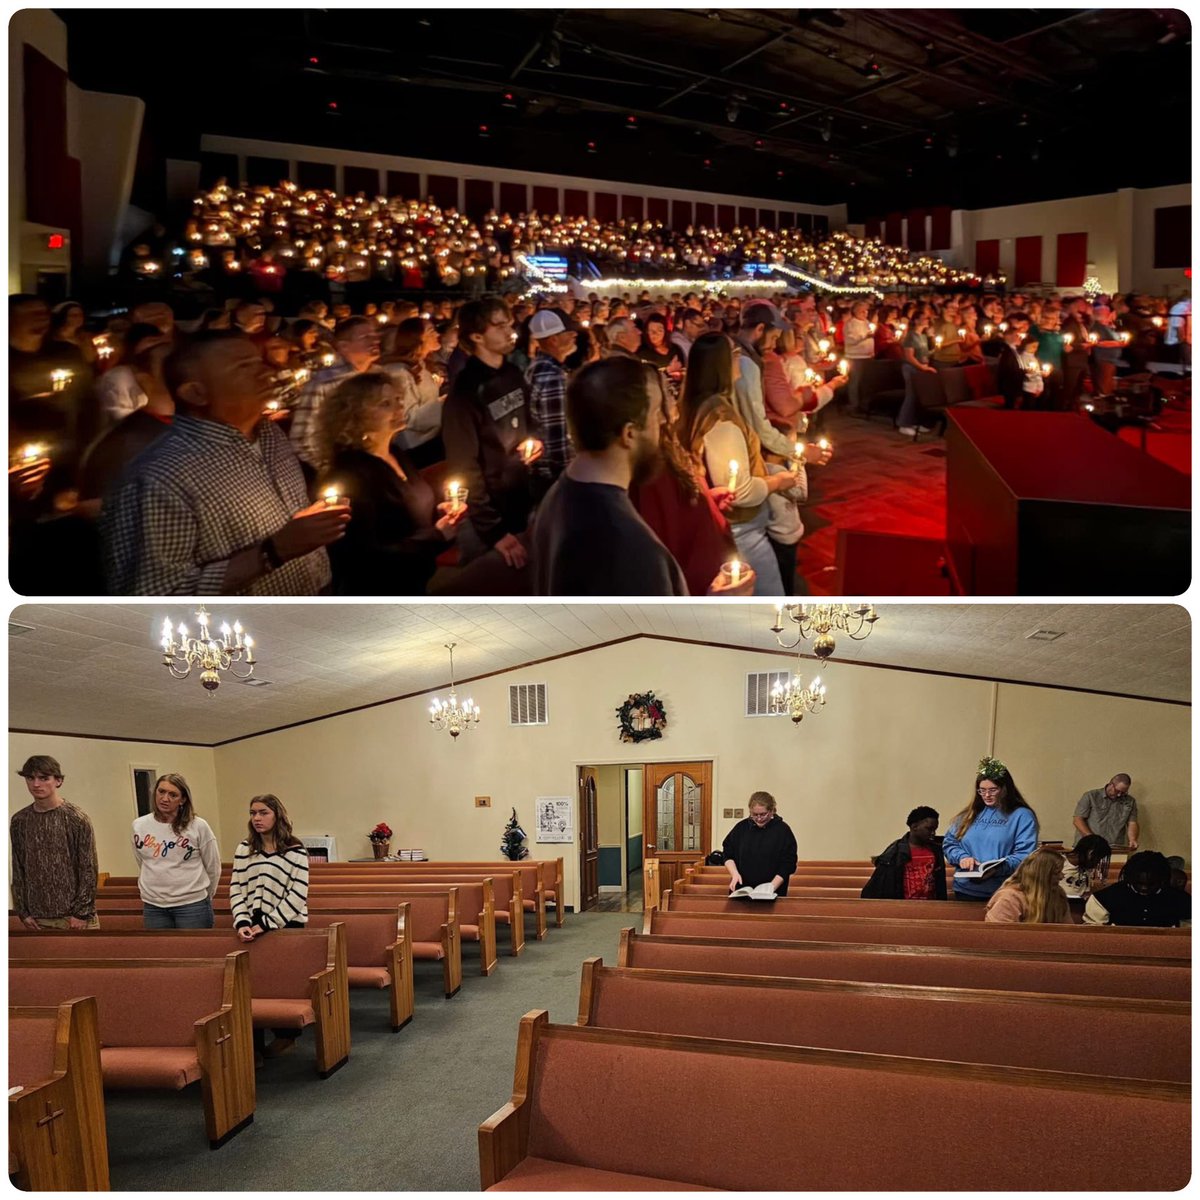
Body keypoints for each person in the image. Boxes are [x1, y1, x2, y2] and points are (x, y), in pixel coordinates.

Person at [101, 332, 349, 595]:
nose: (266, 372)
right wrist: (274, 551)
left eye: (258, 361)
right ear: (196, 393)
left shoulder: (271, 435)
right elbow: (153, 595)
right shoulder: (160, 477)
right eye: (243, 367)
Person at [532, 355, 688, 595]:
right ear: (629, 433)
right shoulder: (629, 549)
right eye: (657, 412)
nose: (665, 420)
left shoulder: (559, 494)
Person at [316, 373, 466, 594]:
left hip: (416, 579)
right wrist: (437, 535)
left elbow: (410, 515)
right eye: (385, 404)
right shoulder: (348, 474)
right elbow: (366, 555)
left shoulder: (396, 455)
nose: (398, 408)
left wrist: (443, 516)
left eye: (398, 400)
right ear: (355, 416)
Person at [442, 298, 543, 569]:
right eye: (499, 326)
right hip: (486, 517)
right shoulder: (465, 392)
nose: (510, 331)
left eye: (510, 324)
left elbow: (529, 421)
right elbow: (464, 466)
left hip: (520, 496)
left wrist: (534, 441)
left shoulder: (512, 373)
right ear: (477, 336)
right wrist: (493, 530)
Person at [10, 755, 99, 930]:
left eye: (44, 778)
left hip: (74, 917)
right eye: (30, 778)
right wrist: (23, 912)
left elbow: (88, 869)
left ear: (58, 781)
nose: (36, 784)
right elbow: (18, 868)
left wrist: (80, 913)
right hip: (37, 918)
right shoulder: (20, 820)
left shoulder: (76, 819)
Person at [941, 756, 1039, 901]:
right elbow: (950, 843)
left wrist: (996, 869)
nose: (986, 795)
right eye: (982, 790)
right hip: (965, 889)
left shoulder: (1022, 815)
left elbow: (1025, 855)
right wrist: (962, 857)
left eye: (993, 790)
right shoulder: (970, 814)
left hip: (1003, 891)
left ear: (1005, 789)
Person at [132, 773, 222, 928]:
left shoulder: (198, 826)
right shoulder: (139, 825)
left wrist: (205, 895)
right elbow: (144, 861)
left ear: (183, 799)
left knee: (194, 951)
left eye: (173, 795)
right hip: (154, 906)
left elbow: (213, 866)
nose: (165, 799)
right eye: (161, 792)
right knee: (161, 951)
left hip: (192, 905)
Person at [229, 794, 310, 939]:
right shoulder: (244, 849)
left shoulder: (294, 850)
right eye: (253, 813)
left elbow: (298, 894)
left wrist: (268, 923)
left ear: (277, 816)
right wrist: (242, 922)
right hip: (252, 924)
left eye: (264, 813)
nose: (257, 818)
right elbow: (236, 889)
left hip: (287, 923)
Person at [525, 309, 577, 488]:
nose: (574, 335)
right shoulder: (552, 375)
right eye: (568, 333)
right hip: (553, 475)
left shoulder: (537, 367)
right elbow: (557, 435)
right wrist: (568, 475)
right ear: (553, 339)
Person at [860, 806, 947, 900]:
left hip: (932, 905)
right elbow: (880, 885)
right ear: (914, 827)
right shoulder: (895, 852)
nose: (933, 833)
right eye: (929, 829)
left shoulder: (936, 849)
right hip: (904, 904)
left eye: (935, 829)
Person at [1084, 851, 1191, 927]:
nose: (1144, 888)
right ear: (1130, 878)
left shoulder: (1180, 899)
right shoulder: (1104, 898)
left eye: (1151, 884)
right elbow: (1093, 933)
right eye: (1139, 883)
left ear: (1162, 880)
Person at [721, 791, 798, 896]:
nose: (759, 818)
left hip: (772, 890)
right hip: (742, 890)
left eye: (763, 814)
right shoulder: (741, 828)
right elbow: (727, 853)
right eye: (754, 814)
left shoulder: (782, 830)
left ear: (771, 811)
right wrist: (734, 874)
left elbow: (788, 863)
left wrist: (772, 886)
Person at [983, 848, 1073, 924]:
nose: (1062, 876)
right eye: (1056, 873)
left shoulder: (1057, 894)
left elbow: (1067, 930)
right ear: (1042, 876)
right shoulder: (1009, 898)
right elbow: (1000, 935)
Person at [1073, 774, 1138, 849]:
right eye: (1117, 791)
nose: (1119, 795)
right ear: (1111, 784)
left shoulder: (1130, 801)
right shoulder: (1090, 796)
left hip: (1114, 847)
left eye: (1123, 792)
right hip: (1088, 846)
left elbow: (1132, 823)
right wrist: (1091, 838)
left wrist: (1133, 839)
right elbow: (1078, 820)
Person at [1058, 833, 1112, 902]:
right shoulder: (1061, 861)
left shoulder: (1086, 866)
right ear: (1090, 853)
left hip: (1079, 904)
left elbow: (1084, 890)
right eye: (1098, 859)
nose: (1098, 863)